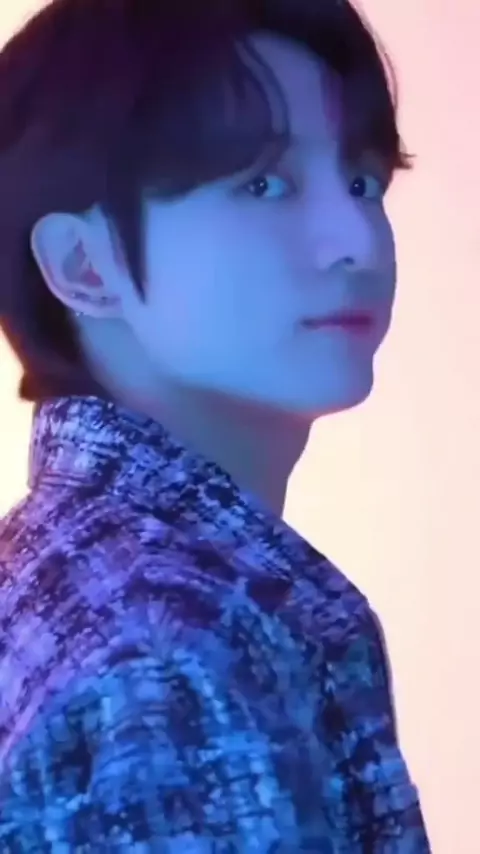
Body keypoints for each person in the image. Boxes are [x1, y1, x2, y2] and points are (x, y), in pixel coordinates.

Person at [0, 0, 430, 849]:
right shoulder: (171, 652)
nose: (355, 240)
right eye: (262, 183)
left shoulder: (61, 572)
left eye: (363, 181)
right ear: (84, 266)